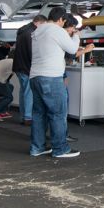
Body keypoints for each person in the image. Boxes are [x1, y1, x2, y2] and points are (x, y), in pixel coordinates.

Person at [29, 9, 93, 158]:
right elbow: (71, 49)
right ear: (61, 20)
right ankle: (60, 149)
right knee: (57, 114)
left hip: (35, 76)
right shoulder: (56, 30)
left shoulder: (38, 30)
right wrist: (76, 36)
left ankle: (37, 147)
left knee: (39, 114)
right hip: (51, 77)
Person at [12, 15, 46, 125]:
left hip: (18, 66)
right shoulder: (32, 33)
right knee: (28, 92)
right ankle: (27, 117)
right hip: (27, 67)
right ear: (39, 23)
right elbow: (32, 53)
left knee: (23, 92)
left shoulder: (23, 30)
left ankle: (24, 116)